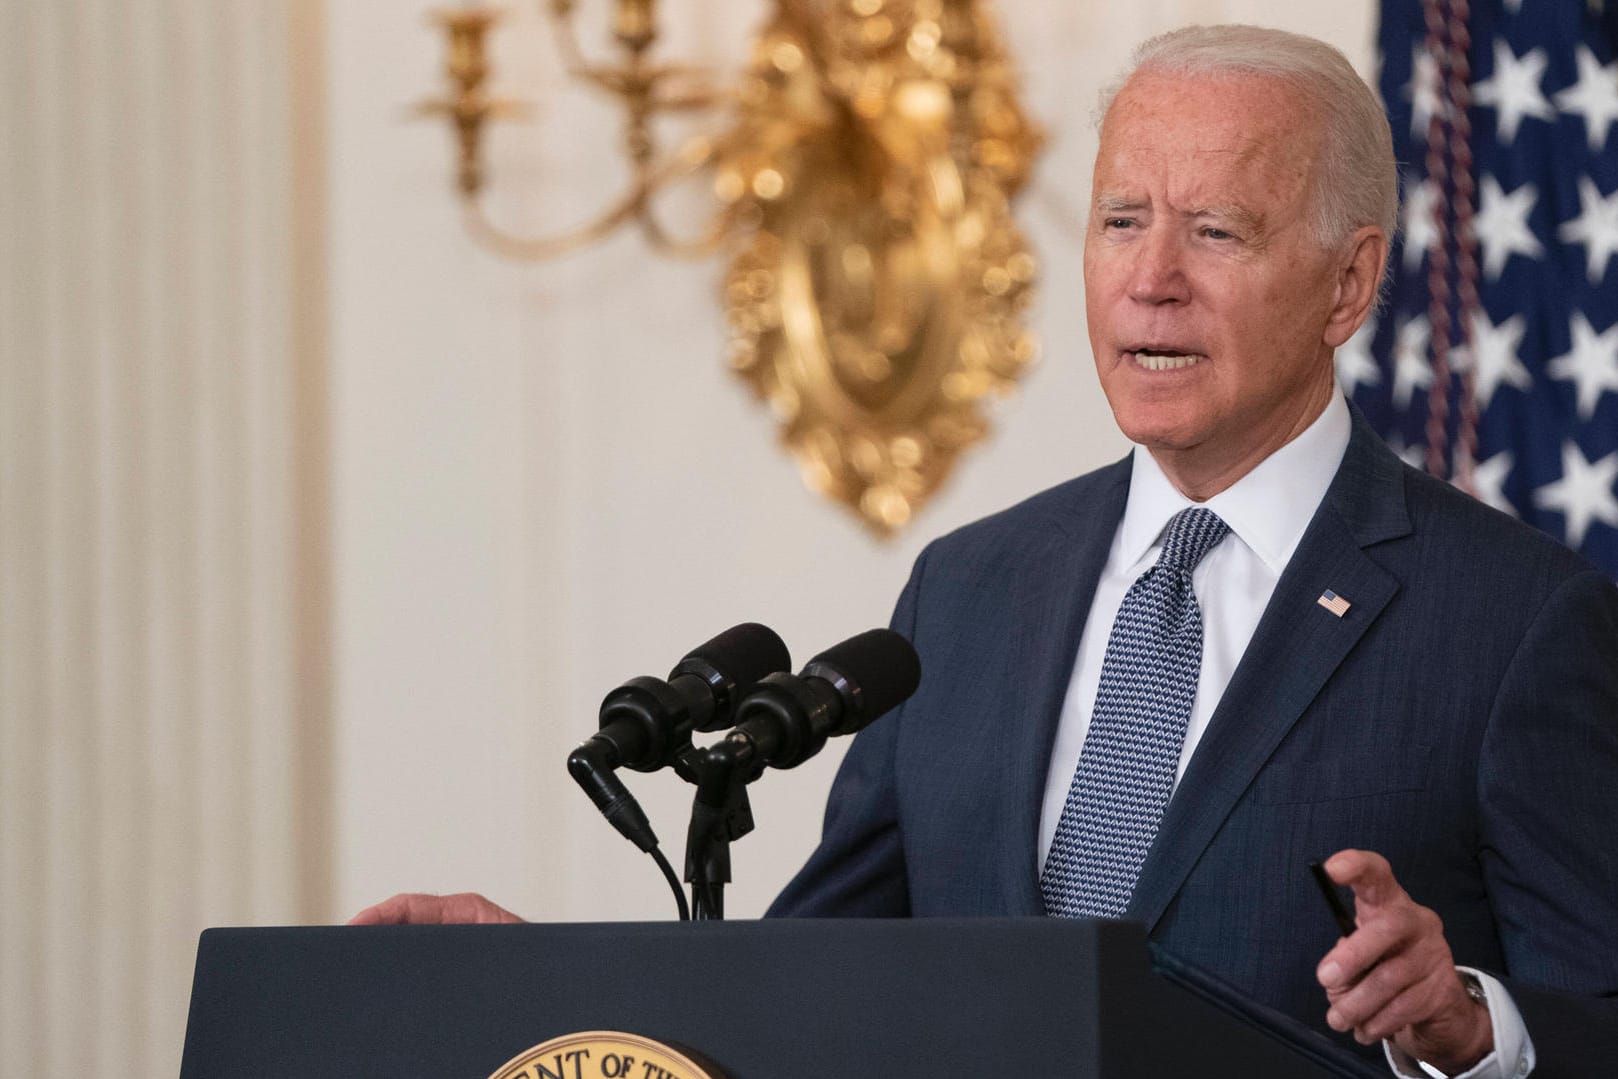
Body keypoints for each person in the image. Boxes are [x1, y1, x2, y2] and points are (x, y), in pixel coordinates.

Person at [353, 25, 1618, 1078]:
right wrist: (528, 984)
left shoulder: (1511, 621)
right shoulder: (967, 590)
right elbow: (811, 989)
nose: (1150, 279)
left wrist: (1469, 1024)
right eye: (1121, 219)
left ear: (1348, 285)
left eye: (1216, 232)